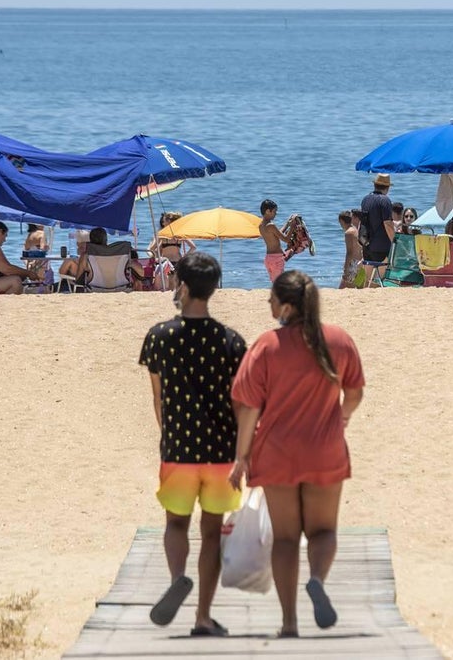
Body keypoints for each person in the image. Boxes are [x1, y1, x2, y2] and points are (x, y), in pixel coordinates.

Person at [229, 271, 365, 638]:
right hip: (325, 449)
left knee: (286, 539)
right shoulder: (338, 341)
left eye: (271, 299)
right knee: (323, 531)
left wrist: (241, 458)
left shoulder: (266, 346)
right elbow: (354, 391)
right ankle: (317, 579)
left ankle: (289, 623)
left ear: (286, 306)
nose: (268, 305)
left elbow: (247, 408)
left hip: (276, 453)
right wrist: (343, 416)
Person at [139, 252, 246, 637]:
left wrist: (167, 436)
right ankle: (203, 616)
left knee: (175, 524)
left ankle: (177, 577)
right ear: (214, 289)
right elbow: (240, 402)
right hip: (220, 451)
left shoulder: (159, 336)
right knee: (212, 532)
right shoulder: (231, 341)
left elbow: (158, 397)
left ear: (181, 286)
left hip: (179, 447)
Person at [149, 212, 196, 292]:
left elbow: (151, 249)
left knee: (171, 286)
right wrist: (185, 257)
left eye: (164, 221)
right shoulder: (180, 234)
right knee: (176, 286)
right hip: (178, 261)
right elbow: (193, 247)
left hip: (167, 262)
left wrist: (157, 258)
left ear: (169, 222)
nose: (163, 223)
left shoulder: (162, 235)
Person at [359, 174, 395, 269]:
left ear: (375, 185)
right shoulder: (385, 200)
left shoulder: (365, 199)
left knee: (370, 274)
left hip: (366, 244)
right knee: (384, 272)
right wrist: (395, 242)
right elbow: (388, 224)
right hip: (382, 246)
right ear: (387, 188)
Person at [260, 199, 294, 282]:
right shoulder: (271, 225)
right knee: (279, 285)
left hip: (268, 259)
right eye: (275, 211)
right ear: (268, 211)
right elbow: (286, 239)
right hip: (276, 259)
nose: (276, 213)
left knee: (276, 283)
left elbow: (278, 234)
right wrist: (292, 226)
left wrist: (288, 223)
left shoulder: (261, 225)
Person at [338, 210, 362, 289]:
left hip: (353, 264)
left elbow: (349, 253)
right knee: (359, 288)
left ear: (341, 221)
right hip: (360, 263)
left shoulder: (348, 233)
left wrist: (346, 269)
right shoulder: (355, 229)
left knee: (342, 289)